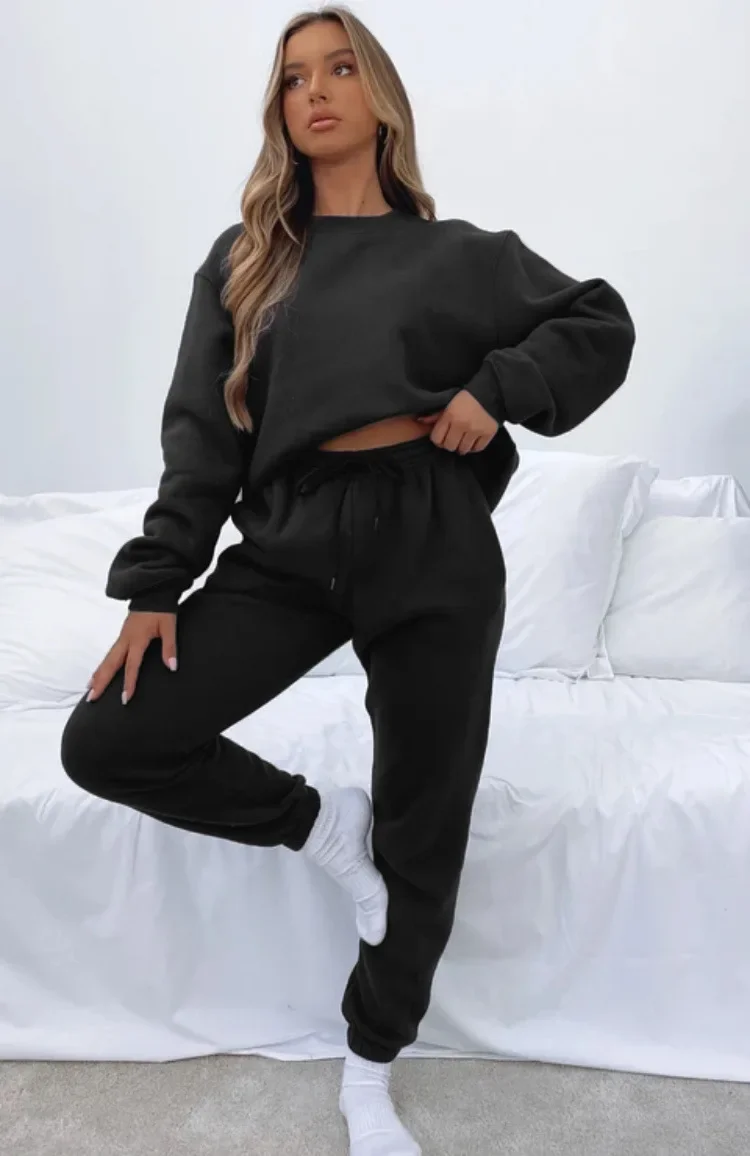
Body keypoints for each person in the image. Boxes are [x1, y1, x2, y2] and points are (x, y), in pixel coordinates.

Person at [60, 6, 635, 1154]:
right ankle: (324, 824)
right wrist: (158, 582)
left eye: (337, 69)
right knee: (109, 738)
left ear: (378, 94)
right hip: (295, 536)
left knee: (428, 816)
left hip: (432, 535)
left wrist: (496, 391)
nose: (314, 92)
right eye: (291, 78)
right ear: (277, 110)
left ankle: (369, 1068)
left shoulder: (459, 255)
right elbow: (201, 438)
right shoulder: (245, 263)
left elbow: (599, 321)